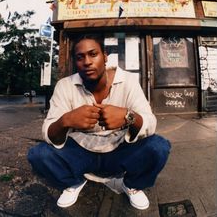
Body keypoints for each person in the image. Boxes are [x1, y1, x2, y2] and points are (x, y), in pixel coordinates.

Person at [27, 34, 171, 210]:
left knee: (159, 146)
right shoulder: (65, 86)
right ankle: (74, 182)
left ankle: (131, 184)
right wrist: (66, 120)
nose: (87, 62)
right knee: (38, 155)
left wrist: (128, 116)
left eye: (93, 54)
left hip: (119, 150)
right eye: (80, 57)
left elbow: (150, 123)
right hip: (80, 152)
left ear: (105, 57)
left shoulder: (127, 81)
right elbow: (48, 132)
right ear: (75, 62)